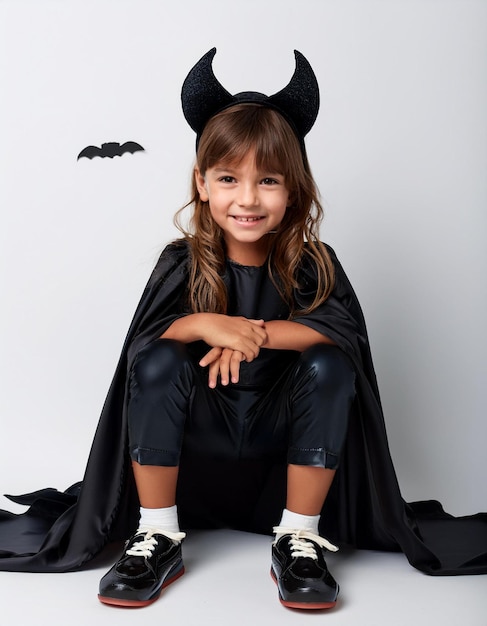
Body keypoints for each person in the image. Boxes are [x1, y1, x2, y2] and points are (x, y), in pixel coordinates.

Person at [0, 47, 486, 606]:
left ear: (294, 189)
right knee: (157, 358)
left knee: (330, 362)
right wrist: (206, 323)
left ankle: (299, 537)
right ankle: (158, 532)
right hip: (197, 449)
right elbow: (143, 347)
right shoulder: (181, 262)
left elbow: (341, 333)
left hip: (281, 451)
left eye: (269, 181)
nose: (248, 199)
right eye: (229, 178)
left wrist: (248, 333)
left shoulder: (314, 262)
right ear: (203, 184)